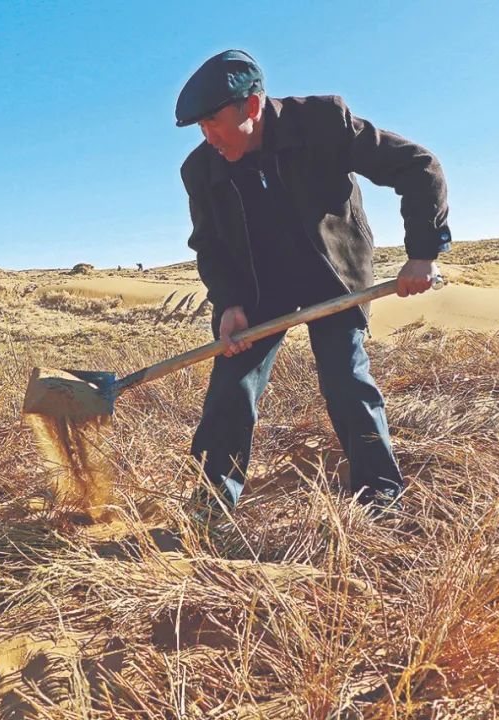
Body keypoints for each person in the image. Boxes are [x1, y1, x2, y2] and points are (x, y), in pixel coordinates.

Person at [175, 50, 450, 518]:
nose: (209, 137)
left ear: (252, 106)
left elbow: (419, 166)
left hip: (333, 276)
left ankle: (381, 499)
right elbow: (209, 244)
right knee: (231, 388)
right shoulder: (201, 169)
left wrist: (422, 253)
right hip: (259, 288)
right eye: (201, 127)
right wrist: (230, 302)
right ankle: (210, 504)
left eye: (214, 122)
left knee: (346, 380)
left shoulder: (323, 123)